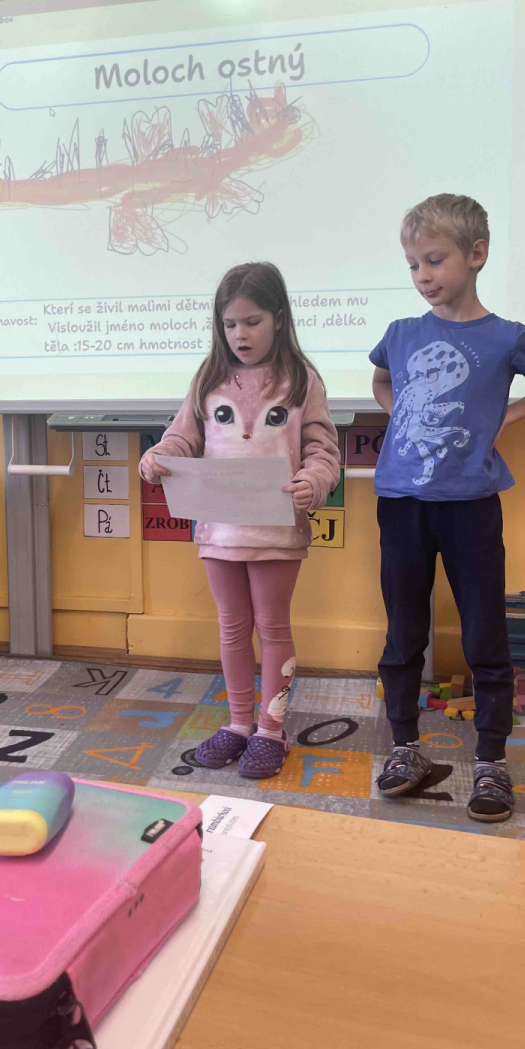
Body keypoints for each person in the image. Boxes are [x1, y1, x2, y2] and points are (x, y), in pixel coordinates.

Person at [370, 194, 525, 822]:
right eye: (413, 265)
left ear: (477, 254)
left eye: (434, 260)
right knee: (403, 631)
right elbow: (382, 378)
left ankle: (491, 760)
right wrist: (400, 415)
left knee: (485, 633)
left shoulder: (505, 337)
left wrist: (505, 417)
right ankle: (404, 746)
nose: (422, 275)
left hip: (470, 505)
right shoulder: (401, 334)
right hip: (401, 501)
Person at [140, 262, 340, 778]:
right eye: (230, 324)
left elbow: (322, 449)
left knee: (272, 627)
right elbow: (182, 438)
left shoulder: (301, 379)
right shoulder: (208, 378)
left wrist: (314, 480)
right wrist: (158, 456)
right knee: (231, 628)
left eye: (252, 322)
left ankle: (271, 731)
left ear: (279, 318)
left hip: (277, 530)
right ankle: (238, 725)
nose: (240, 334)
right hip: (219, 529)